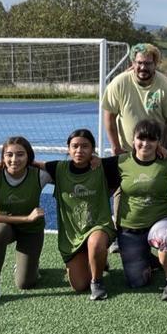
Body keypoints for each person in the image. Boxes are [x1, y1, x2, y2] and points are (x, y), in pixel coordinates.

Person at [101, 120, 167, 301]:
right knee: (137, 282)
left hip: (161, 219)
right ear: (133, 140)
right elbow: (86, 167)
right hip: (130, 228)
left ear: (158, 142)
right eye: (141, 138)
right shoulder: (120, 162)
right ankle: (149, 258)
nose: (146, 144)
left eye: (152, 139)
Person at [0, 137, 49, 306]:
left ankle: (31, 266)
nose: (14, 159)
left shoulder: (39, 174)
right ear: (2, 157)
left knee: (25, 284)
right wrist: (26, 218)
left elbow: (65, 170)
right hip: (5, 225)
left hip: (31, 230)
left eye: (20, 155)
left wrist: (94, 159)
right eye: (9, 155)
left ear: (28, 157)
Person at [44, 129, 116, 300]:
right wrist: (0, 163)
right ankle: (97, 260)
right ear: (68, 149)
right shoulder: (58, 169)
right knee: (79, 285)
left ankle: (97, 282)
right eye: (74, 146)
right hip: (73, 234)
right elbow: (30, 163)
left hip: (99, 226)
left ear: (93, 149)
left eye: (85, 146)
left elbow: (131, 158)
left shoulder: (103, 166)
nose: (79, 150)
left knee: (96, 242)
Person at [103, 43, 167, 155]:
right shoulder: (119, 83)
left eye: (148, 63)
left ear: (155, 64)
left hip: (154, 153)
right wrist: (116, 147)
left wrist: (165, 149)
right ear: (133, 63)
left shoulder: (166, 86)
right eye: (139, 63)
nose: (143, 67)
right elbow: (109, 116)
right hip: (126, 152)